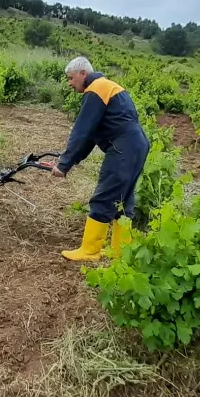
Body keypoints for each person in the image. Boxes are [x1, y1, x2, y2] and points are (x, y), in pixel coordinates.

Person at [51, 56, 150, 261]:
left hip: (123, 147)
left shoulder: (95, 89)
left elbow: (82, 131)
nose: (69, 83)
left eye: (71, 78)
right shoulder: (107, 86)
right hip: (136, 144)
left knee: (105, 195)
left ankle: (90, 250)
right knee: (123, 198)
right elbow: (90, 136)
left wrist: (63, 165)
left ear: (83, 74)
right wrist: (70, 161)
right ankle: (120, 250)